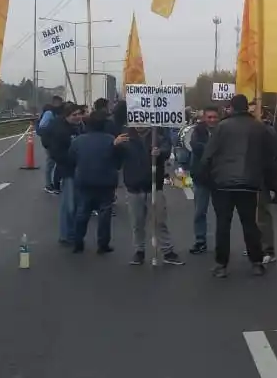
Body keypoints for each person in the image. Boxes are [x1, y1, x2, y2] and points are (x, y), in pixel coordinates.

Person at [197, 94, 277, 277]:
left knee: (223, 226)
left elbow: (208, 156)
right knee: (250, 224)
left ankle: (221, 265)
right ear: (246, 108)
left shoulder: (222, 127)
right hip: (249, 183)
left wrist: (207, 179)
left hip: (223, 184)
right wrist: (272, 184)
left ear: (231, 108)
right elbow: (270, 158)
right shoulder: (260, 128)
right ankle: (256, 262)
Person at [69, 111, 129, 254]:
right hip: (106, 181)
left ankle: (78, 242)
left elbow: (71, 158)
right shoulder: (111, 140)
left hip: (84, 180)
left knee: (82, 212)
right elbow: (119, 160)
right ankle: (103, 244)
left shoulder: (78, 141)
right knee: (104, 214)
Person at [122, 127, 183, 266]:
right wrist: (114, 146)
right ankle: (139, 251)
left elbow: (167, 150)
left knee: (159, 220)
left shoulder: (158, 135)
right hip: (134, 186)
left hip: (154, 185)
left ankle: (167, 251)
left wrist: (160, 152)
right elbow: (115, 158)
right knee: (137, 222)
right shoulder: (126, 136)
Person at [48, 103, 84, 246]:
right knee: (69, 205)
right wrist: (70, 160)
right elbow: (56, 152)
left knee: (75, 204)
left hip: (79, 170)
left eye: (79, 114)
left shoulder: (80, 127)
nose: (77, 117)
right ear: (67, 115)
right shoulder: (61, 130)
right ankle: (67, 235)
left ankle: (71, 233)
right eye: (74, 115)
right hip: (68, 170)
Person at [189, 106, 220, 254]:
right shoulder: (198, 131)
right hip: (201, 178)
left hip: (219, 177)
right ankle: (200, 241)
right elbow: (196, 147)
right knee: (199, 212)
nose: (212, 120)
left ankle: (221, 242)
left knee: (222, 213)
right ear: (204, 118)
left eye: (215, 117)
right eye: (210, 117)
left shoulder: (223, 130)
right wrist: (215, 148)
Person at [255, 101, 277, 263]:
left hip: (261, 179)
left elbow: (272, 158)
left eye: (254, 111)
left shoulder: (267, 131)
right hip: (248, 179)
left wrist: (272, 184)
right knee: (253, 216)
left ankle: (268, 250)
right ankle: (256, 246)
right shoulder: (250, 129)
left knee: (262, 215)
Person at [37, 95, 65, 194]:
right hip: (49, 141)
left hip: (56, 141)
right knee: (50, 163)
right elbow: (42, 126)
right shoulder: (49, 113)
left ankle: (55, 182)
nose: (58, 104)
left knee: (56, 162)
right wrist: (53, 128)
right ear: (54, 103)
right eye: (57, 102)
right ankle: (48, 184)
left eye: (60, 102)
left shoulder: (59, 113)